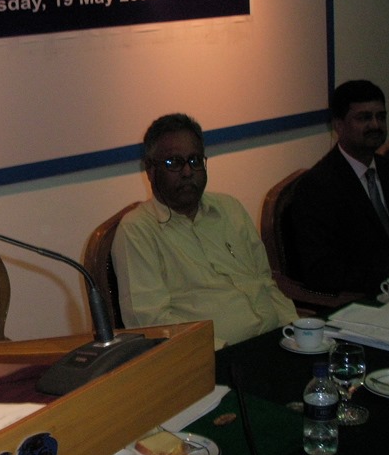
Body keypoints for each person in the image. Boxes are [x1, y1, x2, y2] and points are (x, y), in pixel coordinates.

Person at [111, 113, 298, 349]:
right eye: (174, 163)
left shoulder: (229, 209)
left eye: (195, 160)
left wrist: (297, 329)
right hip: (215, 357)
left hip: (278, 339)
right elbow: (151, 323)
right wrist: (220, 351)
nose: (188, 172)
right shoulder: (137, 231)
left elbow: (265, 281)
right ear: (150, 170)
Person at [287, 79, 389, 297]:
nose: (375, 125)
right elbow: (322, 270)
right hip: (367, 297)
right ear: (338, 125)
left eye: (381, 117)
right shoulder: (318, 187)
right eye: (364, 118)